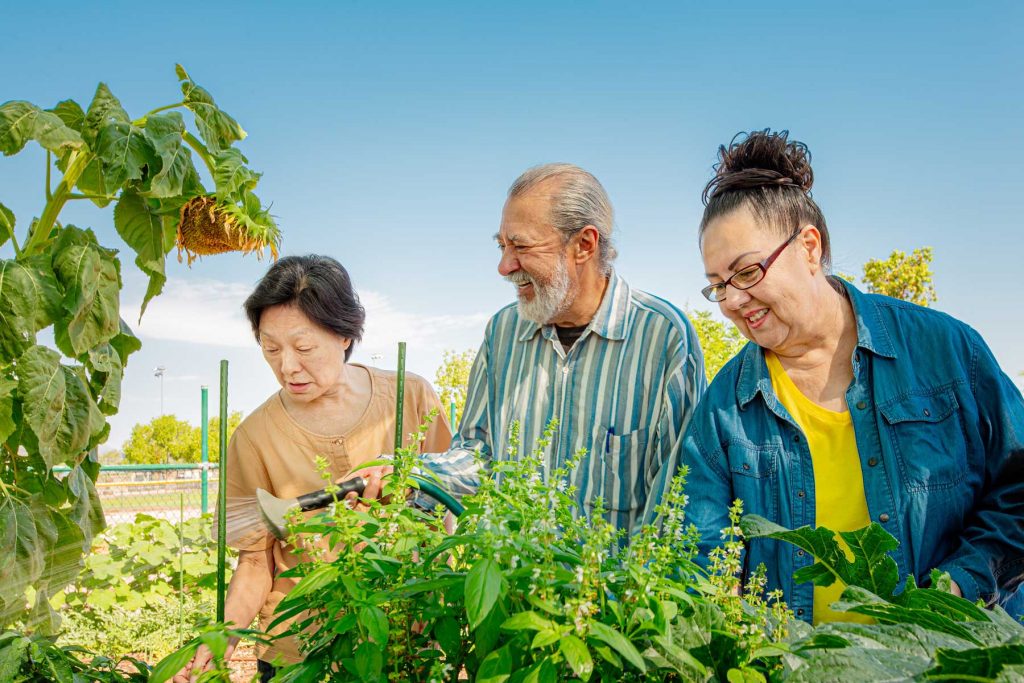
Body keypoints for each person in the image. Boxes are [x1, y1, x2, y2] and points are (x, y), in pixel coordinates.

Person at [682, 129, 1024, 624]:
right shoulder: (724, 407)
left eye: (747, 273)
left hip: (946, 661)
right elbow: (700, 551)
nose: (732, 301)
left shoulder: (947, 351)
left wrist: (961, 585)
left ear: (809, 247)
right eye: (718, 286)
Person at [173, 255, 451, 682]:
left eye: (303, 348)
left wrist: (414, 499)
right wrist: (220, 641)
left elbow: (450, 503)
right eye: (271, 349)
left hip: (404, 638)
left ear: (344, 335)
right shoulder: (253, 438)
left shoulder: (410, 397)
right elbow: (253, 564)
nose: (287, 366)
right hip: (299, 653)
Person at [414, 163, 706, 534]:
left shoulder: (663, 338)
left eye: (520, 246)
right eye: (502, 246)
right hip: (511, 584)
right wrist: (409, 476)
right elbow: (478, 453)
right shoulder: (502, 332)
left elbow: (676, 499)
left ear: (584, 244)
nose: (504, 267)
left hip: (609, 590)